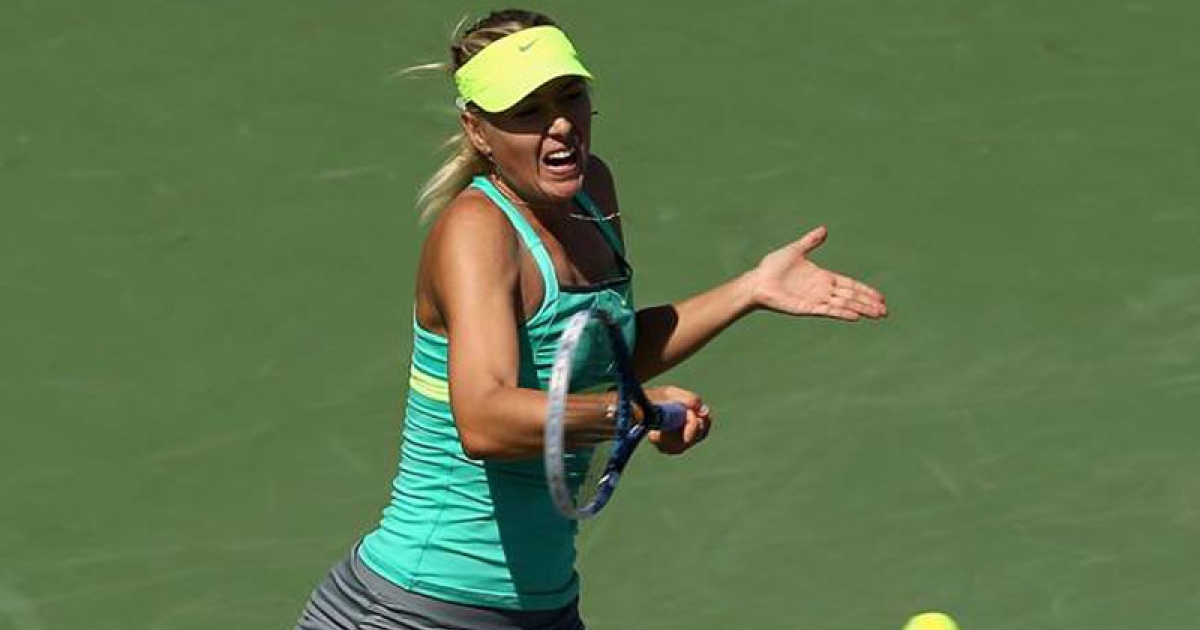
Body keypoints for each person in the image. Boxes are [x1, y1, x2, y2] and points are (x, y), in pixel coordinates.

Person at [293, 9, 887, 630]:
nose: (560, 125)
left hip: (543, 609)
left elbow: (598, 362)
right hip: (412, 610)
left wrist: (750, 289)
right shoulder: (477, 230)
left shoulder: (593, 194)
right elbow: (485, 420)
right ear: (478, 131)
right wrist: (635, 411)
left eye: (570, 96)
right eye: (528, 111)